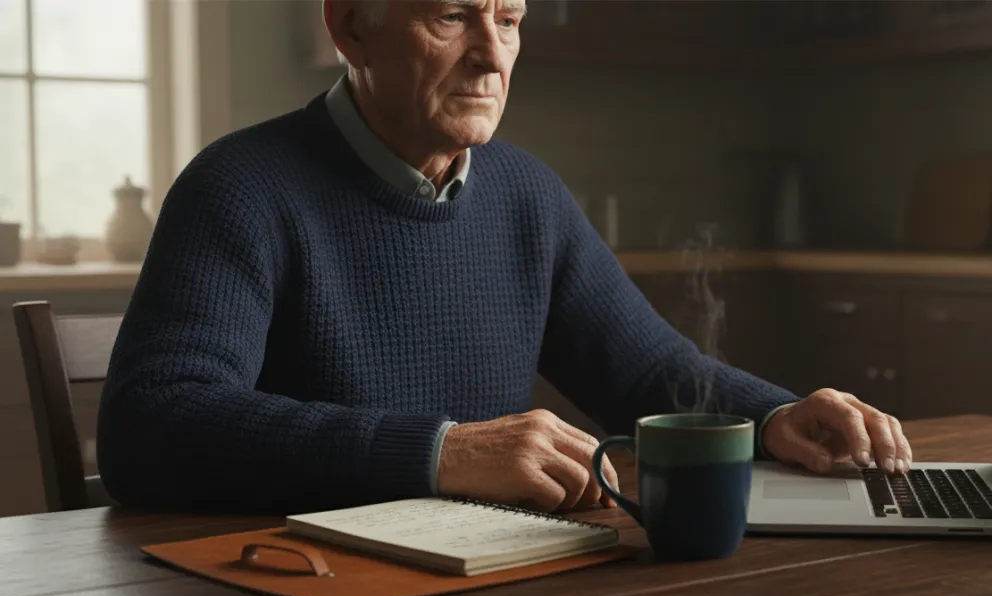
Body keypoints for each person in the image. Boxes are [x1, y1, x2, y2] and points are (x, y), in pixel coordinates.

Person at [95, 0, 912, 515]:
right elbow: (152, 425)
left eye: (509, 18)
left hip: (495, 591)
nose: (492, 55)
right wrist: (441, 452)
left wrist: (776, 417)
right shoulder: (239, 188)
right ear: (349, 25)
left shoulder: (527, 194)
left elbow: (645, 371)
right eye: (453, 16)